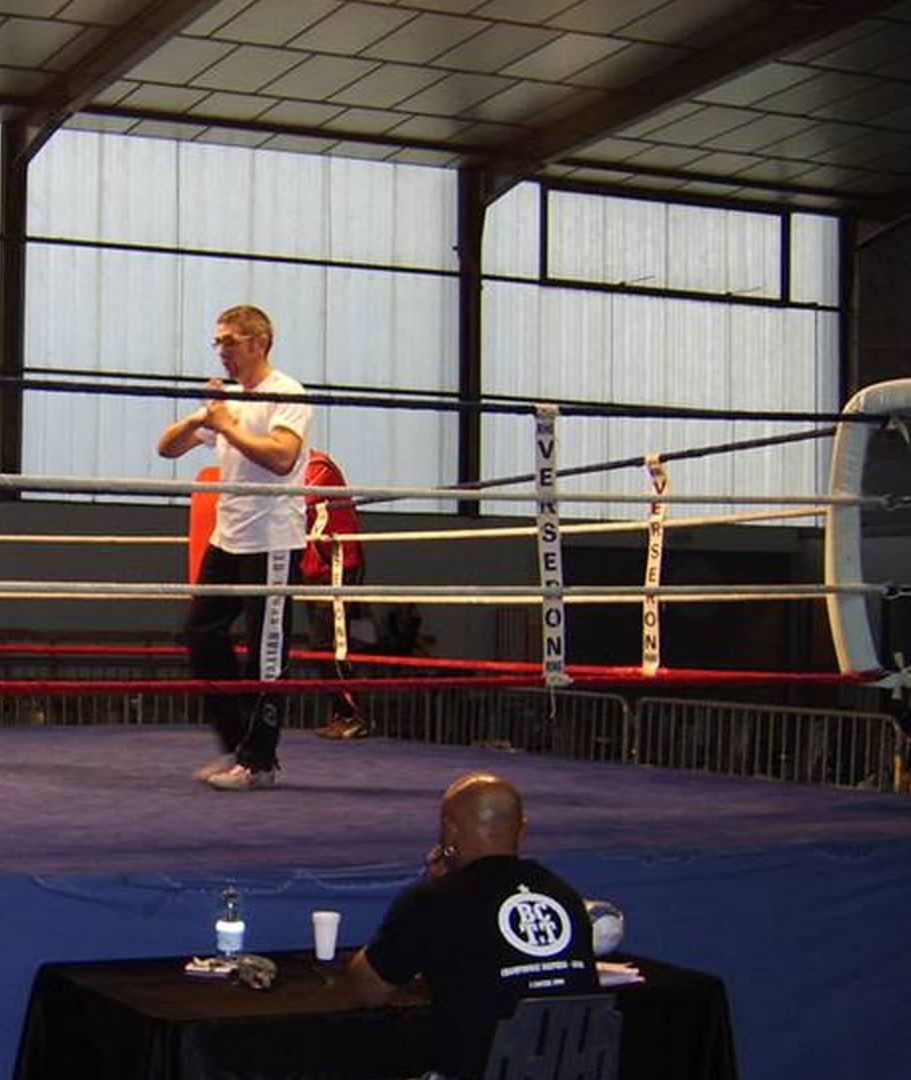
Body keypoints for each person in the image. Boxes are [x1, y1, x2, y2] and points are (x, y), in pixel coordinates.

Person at [348, 772, 598, 1080]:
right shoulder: (566, 896)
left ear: (449, 830)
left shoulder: (432, 900)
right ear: (521, 830)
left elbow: (368, 991)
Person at [156, 305, 311, 791]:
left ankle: (259, 762)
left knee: (266, 655)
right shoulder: (229, 404)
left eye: (229, 341)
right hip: (228, 539)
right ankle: (239, 743)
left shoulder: (287, 392)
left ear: (257, 342)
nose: (221, 350)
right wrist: (205, 415)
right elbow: (167, 447)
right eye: (217, 342)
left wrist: (224, 425)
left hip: (274, 542)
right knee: (201, 633)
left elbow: (283, 458)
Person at [303, 450, 369, 740]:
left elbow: (294, 500)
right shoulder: (296, 468)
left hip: (337, 563)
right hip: (315, 566)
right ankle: (341, 713)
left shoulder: (319, 467)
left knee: (332, 641)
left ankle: (355, 716)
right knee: (319, 644)